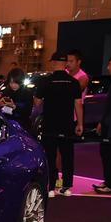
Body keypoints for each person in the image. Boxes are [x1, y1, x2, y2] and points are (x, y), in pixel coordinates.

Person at [34, 52, 83, 198]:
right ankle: (67, 187)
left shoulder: (46, 81)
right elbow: (78, 104)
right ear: (65, 63)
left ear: (54, 63)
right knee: (67, 155)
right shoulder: (73, 82)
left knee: (50, 155)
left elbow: (37, 103)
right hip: (67, 125)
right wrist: (80, 124)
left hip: (50, 125)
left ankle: (51, 187)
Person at [93, 56, 111, 194]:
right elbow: (109, 106)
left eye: (110, 64)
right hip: (109, 125)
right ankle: (109, 181)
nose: (108, 67)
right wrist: (102, 122)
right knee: (106, 153)